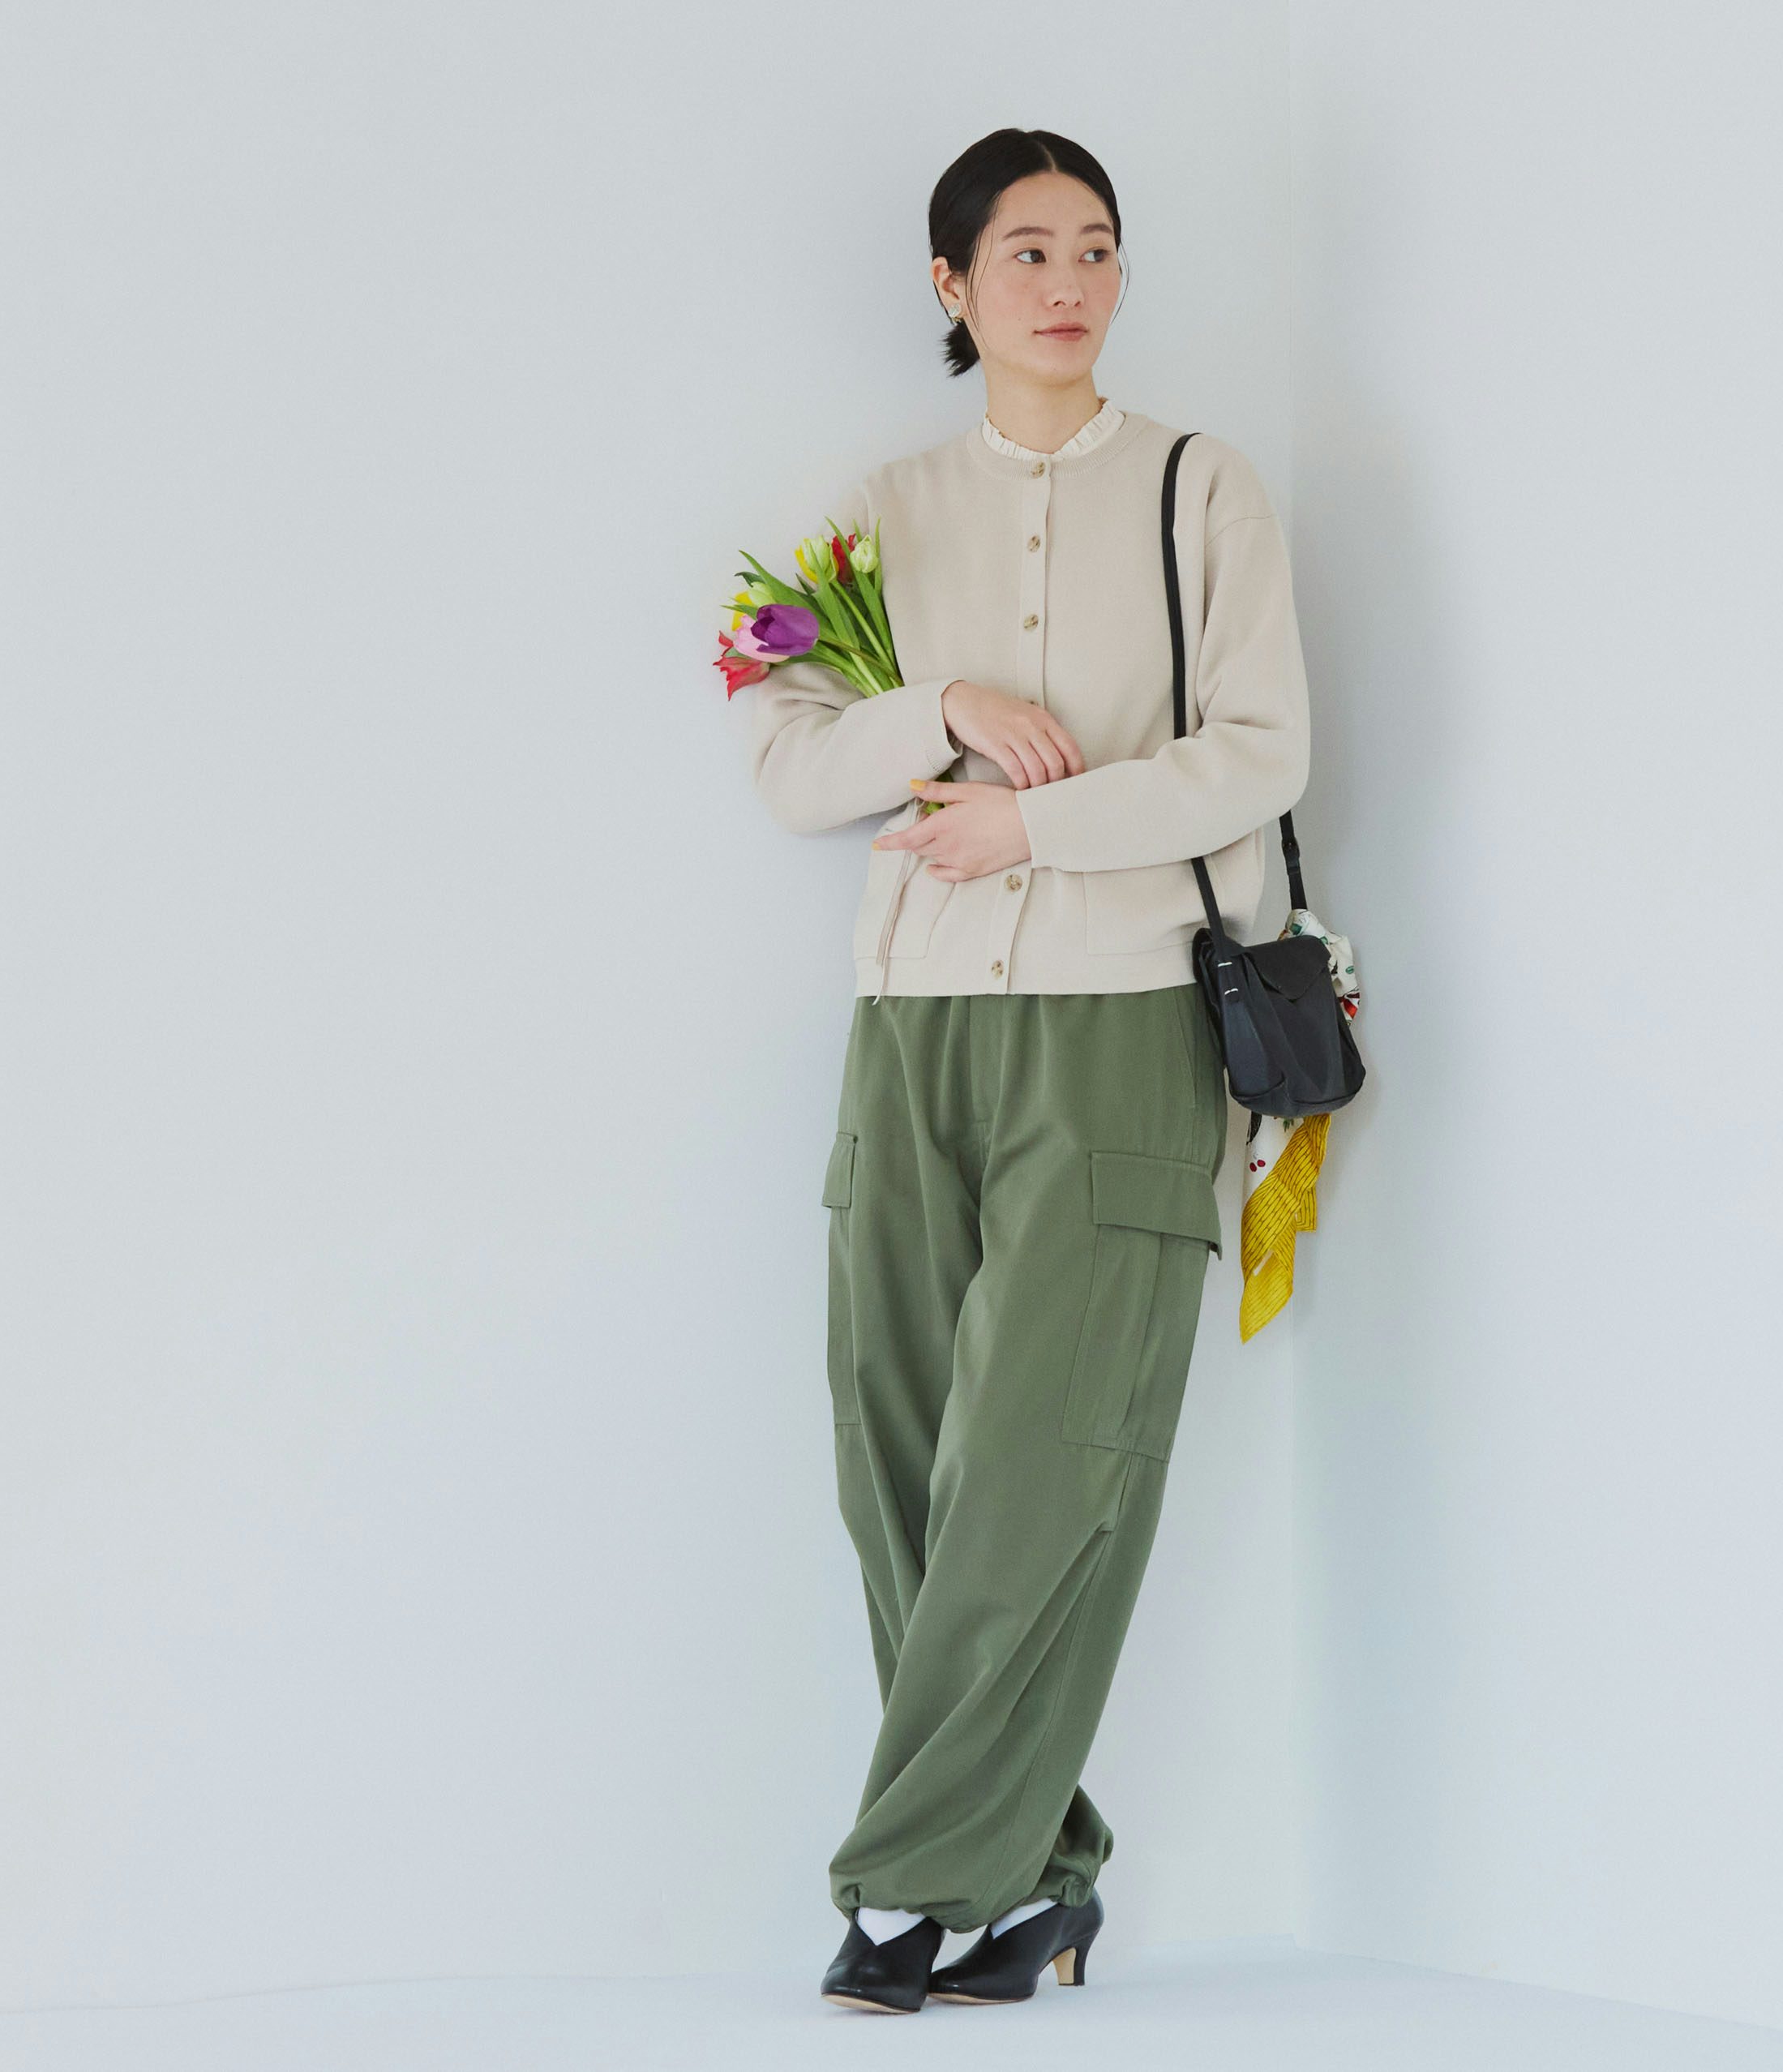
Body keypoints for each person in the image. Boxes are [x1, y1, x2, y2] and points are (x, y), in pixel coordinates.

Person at [743, 127, 1310, 2014]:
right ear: (953, 284)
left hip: (1122, 1025)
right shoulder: (879, 510)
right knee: (898, 1452)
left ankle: (909, 1890)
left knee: (1047, 1465)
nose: (1068, 283)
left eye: (1096, 247)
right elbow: (790, 757)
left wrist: (1036, 829)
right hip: (911, 1027)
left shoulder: (1201, 484)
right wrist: (942, 712)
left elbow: (1262, 752)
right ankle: (1037, 1884)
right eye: (1027, 251)